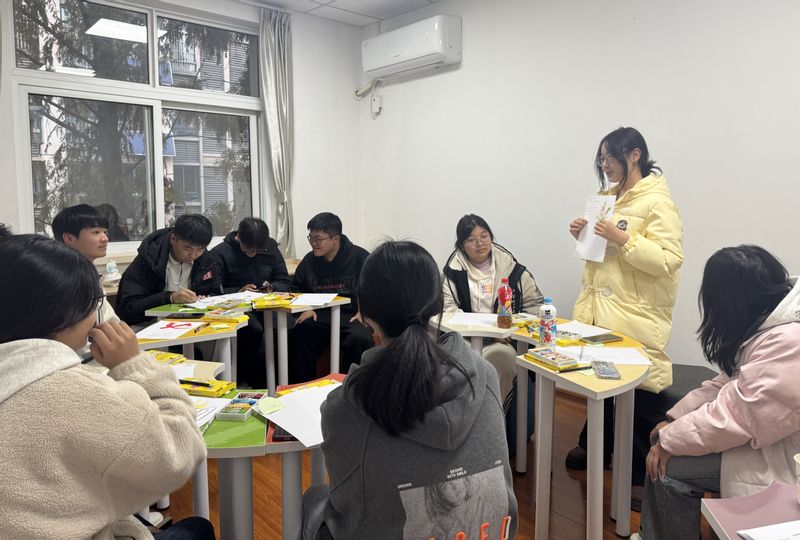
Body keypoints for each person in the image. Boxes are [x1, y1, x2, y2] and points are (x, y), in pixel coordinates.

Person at [0, 235, 214, 540]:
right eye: (94, 303)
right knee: (198, 528)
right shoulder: (74, 394)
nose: (104, 237)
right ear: (66, 313)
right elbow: (178, 454)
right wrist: (132, 363)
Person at [301, 240, 518, 539]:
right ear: (437, 305)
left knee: (315, 497)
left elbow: (347, 507)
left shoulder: (344, 407)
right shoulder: (485, 375)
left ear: (365, 314)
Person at [632, 245, 800, 540]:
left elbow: (736, 417)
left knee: (666, 468)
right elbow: (727, 384)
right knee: (663, 444)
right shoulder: (773, 322)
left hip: (784, 455)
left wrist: (671, 440)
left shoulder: (788, 342)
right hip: (767, 436)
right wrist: (675, 420)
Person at [566, 127, 683, 506]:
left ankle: (638, 476)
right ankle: (595, 446)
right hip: (599, 309)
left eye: (610, 157)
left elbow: (668, 260)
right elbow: (599, 257)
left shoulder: (657, 201)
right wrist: (583, 235)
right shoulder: (605, 198)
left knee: (639, 390)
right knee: (599, 380)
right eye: (601, 159)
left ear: (635, 155)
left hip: (634, 311)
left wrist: (624, 239)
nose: (605, 165)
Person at [443, 214, 544, 410]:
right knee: (463, 362)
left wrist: (511, 330)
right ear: (462, 245)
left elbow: (535, 306)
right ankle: (473, 418)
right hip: (465, 340)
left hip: (506, 340)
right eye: (471, 239)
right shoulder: (452, 273)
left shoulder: (512, 269)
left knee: (501, 356)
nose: (479, 243)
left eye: (484, 236)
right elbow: (448, 313)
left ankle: (497, 416)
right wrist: (488, 334)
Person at [288, 212, 372, 383]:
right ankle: (302, 388)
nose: (313, 244)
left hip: (351, 315)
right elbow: (295, 289)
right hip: (318, 315)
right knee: (299, 333)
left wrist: (365, 311)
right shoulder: (309, 261)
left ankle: (350, 388)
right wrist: (305, 309)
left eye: (318, 239)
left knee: (359, 338)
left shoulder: (360, 258)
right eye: (310, 238)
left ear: (335, 239)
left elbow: (373, 288)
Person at [210, 217, 291, 387]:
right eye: (248, 249)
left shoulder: (270, 249)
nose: (252, 253)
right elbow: (213, 290)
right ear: (239, 237)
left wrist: (272, 287)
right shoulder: (220, 253)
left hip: (268, 305)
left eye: (257, 250)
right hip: (237, 308)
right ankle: (253, 383)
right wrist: (238, 291)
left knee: (286, 327)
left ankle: (280, 382)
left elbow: (284, 280)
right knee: (253, 331)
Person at [116, 214, 221, 325]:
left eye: (200, 249)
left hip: (193, 323)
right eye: (188, 248)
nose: (193, 255)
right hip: (151, 325)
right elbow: (127, 309)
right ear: (173, 239)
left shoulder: (205, 260)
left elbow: (217, 292)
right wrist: (170, 298)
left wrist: (207, 299)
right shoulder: (148, 260)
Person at [53, 204, 120, 356]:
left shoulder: (89, 272)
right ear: (69, 238)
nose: (105, 239)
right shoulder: (64, 279)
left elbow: (110, 321)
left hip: (98, 354)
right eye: (96, 232)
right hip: (79, 359)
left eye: (105, 232)